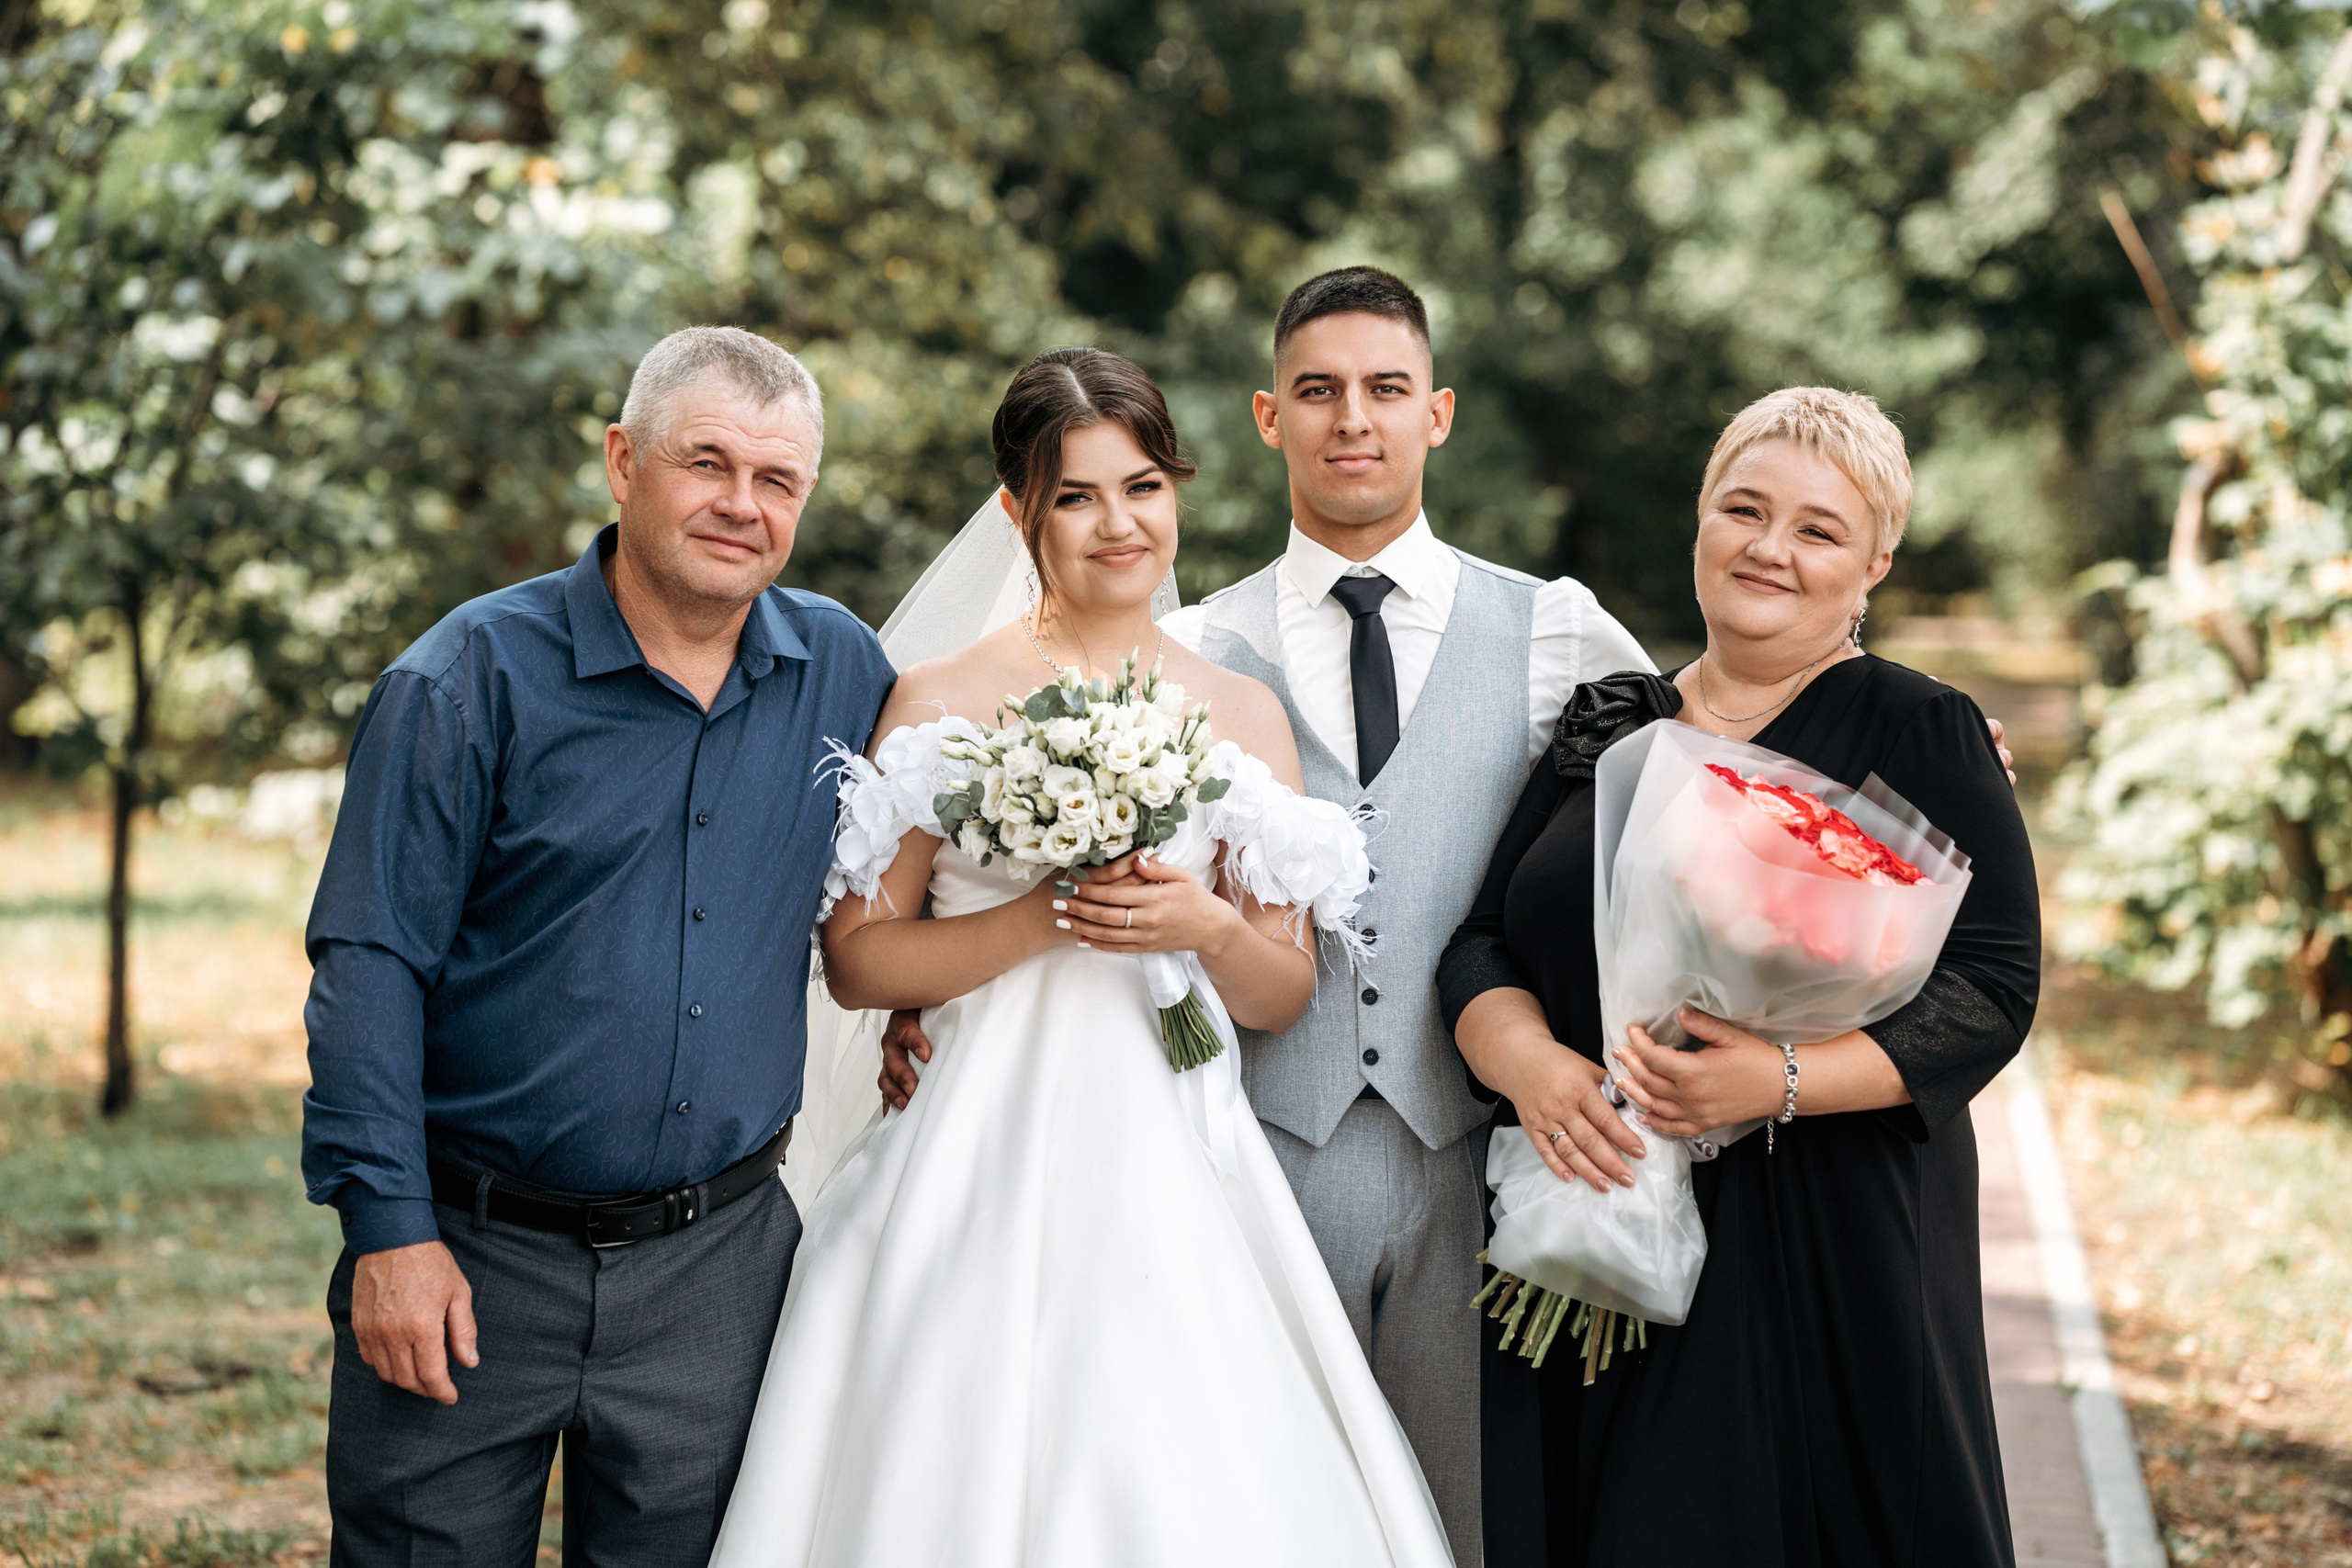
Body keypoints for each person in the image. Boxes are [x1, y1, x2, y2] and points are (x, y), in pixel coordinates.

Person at [709, 347, 1453, 1568]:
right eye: (1076, 494)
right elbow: (858, 959)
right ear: (1018, 511)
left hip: (1178, 1144)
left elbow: (1278, 990)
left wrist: (1203, 925)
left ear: (1178, 492)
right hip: (970, 1138)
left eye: (1144, 485)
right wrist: (1040, 916)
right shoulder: (941, 697)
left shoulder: (1240, 709)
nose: (1120, 523)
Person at [300, 327, 895, 1566]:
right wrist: (390, 1232)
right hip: (472, 1255)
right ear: (624, 460)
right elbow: (368, 964)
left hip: (719, 1269)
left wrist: (921, 1006)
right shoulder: (466, 679)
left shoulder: (842, 667)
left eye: (777, 479)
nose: (741, 503)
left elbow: (898, 881)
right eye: (707, 462)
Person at [1438, 387, 2039, 1567]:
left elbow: (1990, 989)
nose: (1770, 547)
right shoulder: (1608, 729)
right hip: (1596, 1215)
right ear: (1699, 523)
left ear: (1873, 564)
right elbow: (1482, 943)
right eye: (1743, 509)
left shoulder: (1920, 729)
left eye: (1818, 529)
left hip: (1822, 1243)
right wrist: (1536, 1070)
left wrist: (1781, 1079)